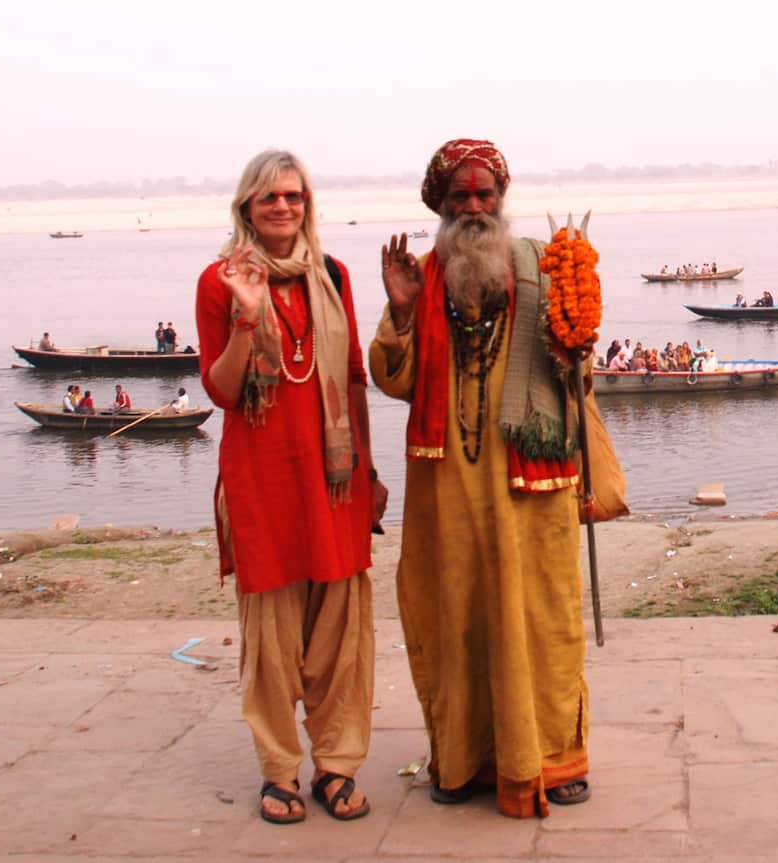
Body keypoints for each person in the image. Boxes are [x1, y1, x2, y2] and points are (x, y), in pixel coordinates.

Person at [369, 139, 597, 819]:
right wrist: (404, 311)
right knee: (455, 617)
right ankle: (463, 760)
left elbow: (577, 375)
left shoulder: (539, 267)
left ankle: (555, 760)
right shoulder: (423, 275)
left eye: (483, 194)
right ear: (439, 205)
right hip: (449, 492)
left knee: (543, 619)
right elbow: (393, 377)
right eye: (458, 197)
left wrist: (573, 343)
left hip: (534, 486)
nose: (472, 207)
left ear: (502, 198)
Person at [195, 150, 386, 826]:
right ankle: (279, 770)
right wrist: (248, 316)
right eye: (269, 197)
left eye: (294, 196)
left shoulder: (332, 274)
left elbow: (355, 375)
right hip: (263, 478)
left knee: (341, 635)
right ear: (246, 206)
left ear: (308, 204)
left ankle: (337, 766)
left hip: (333, 480)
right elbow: (220, 389)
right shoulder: (220, 281)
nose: (283, 207)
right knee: (272, 642)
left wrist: (367, 471)